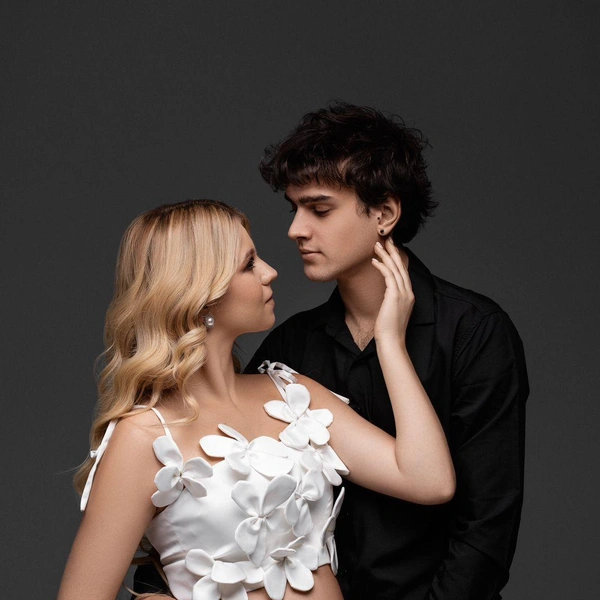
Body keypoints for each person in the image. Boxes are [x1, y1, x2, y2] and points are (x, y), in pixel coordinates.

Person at [58, 199, 455, 600]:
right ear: (201, 293)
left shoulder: (293, 394)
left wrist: (390, 343)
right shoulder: (143, 436)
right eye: (249, 264)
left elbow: (429, 480)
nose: (270, 271)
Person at [244, 103, 529, 600]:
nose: (295, 230)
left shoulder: (475, 332)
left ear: (385, 214)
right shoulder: (290, 347)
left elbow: (486, 529)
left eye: (319, 209)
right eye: (294, 209)